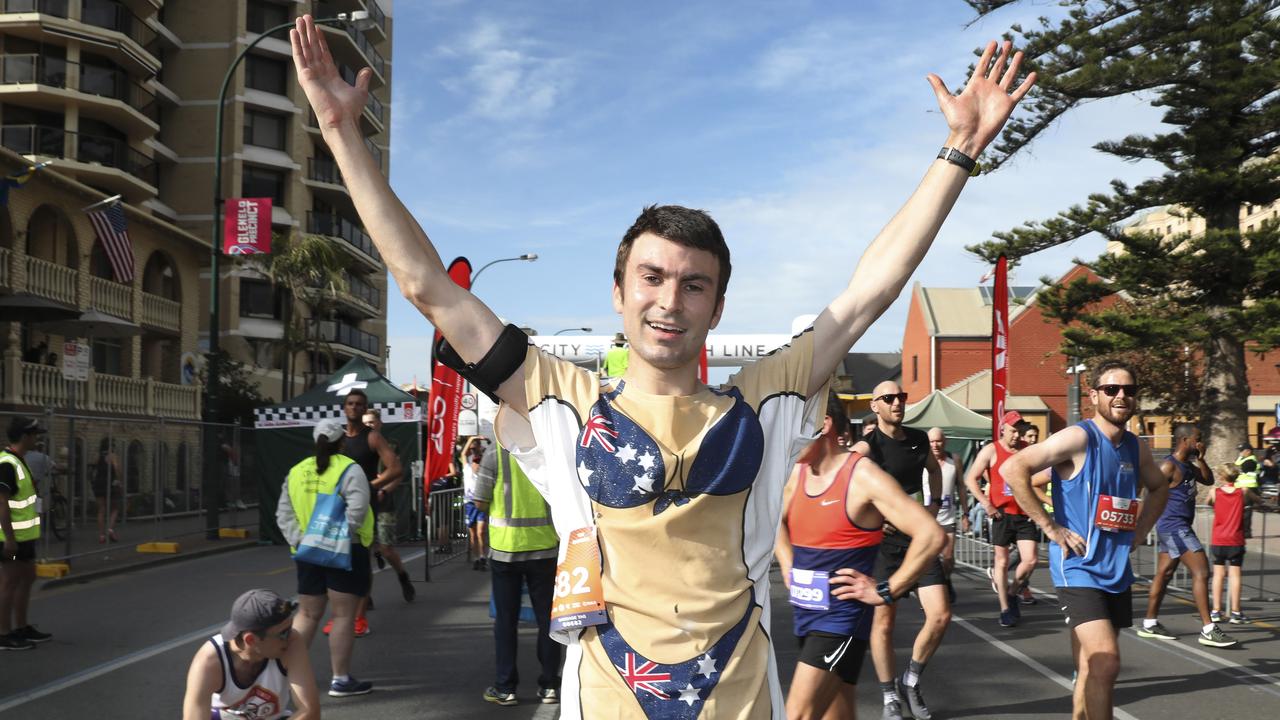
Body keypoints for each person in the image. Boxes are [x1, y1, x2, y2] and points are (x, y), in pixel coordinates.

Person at [290, 15, 1033, 716]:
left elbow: (872, 290)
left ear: (716, 305)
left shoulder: (766, 401)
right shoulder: (560, 398)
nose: (669, 301)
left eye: (693, 283)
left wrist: (958, 151)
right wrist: (340, 132)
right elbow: (427, 286)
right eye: (651, 278)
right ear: (618, 293)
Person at [1002, 360, 1168, 720]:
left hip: (1116, 569)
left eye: (1129, 390)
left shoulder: (1136, 447)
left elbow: (1159, 487)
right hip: (1078, 568)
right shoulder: (1078, 437)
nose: (1121, 396)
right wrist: (1050, 527)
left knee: (1090, 668)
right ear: (1094, 396)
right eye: (1111, 390)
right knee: (1106, 663)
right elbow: (1013, 469)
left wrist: (1140, 530)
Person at [776, 395, 943, 720]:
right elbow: (775, 523)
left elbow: (930, 534)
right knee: (837, 715)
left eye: (792, 427)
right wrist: (787, 565)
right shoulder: (799, 474)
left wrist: (886, 590)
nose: (784, 437)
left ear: (823, 424)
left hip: (841, 620)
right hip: (806, 615)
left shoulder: (862, 476)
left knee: (797, 714)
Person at [850, 382, 949, 720]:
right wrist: (874, 517)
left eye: (901, 397)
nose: (897, 403)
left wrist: (935, 505)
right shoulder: (868, 445)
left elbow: (935, 471)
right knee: (884, 623)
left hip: (918, 539)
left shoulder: (919, 440)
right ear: (875, 406)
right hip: (883, 546)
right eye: (889, 398)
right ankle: (889, 696)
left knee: (940, 615)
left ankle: (912, 679)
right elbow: (847, 476)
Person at [276, 417, 375, 697]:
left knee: (307, 614)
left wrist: (303, 540)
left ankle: (284, 674)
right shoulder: (349, 469)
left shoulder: (297, 471)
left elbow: (283, 514)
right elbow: (357, 510)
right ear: (342, 442)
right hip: (344, 550)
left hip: (307, 552)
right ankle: (340, 679)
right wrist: (336, 539)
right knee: (343, 615)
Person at [475, 441, 561, 706]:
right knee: (548, 622)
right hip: (545, 547)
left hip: (506, 549)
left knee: (506, 622)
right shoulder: (549, 448)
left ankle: (505, 687)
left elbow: (480, 501)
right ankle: (549, 686)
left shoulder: (495, 452)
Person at [1138, 423, 1235, 647]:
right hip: (1174, 527)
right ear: (1185, 441)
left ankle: (1150, 623)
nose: (1201, 443)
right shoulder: (1168, 467)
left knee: (1164, 574)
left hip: (1179, 526)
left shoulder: (1189, 466)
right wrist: (1140, 528)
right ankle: (1209, 629)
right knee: (1201, 571)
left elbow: (1208, 480)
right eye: (1198, 439)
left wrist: (1201, 458)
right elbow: (1149, 495)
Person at [336, 389, 409, 641]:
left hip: (366, 507)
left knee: (362, 559)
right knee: (339, 560)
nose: (355, 408)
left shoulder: (373, 438)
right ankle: (343, 614)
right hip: (339, 507)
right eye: (351, 404)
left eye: (359, 404)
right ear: (344, 408)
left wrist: (371, 485)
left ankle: (359, 617)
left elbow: (395, 468)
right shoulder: (337, 438)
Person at [182, 589, 319, 719]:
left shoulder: (292, 642)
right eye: (283, 633)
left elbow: (309, 711)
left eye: (290, 627)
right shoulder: (209, 661)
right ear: (251, 640)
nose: (290, 636)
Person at [963, 411, 1037, 628]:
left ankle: (1013, 592)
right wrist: (986, 503)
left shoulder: (1026, 450)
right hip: (1001, 514)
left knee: (1030, 559)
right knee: (1002, 562)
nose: (1017, 435)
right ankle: (1005, 608)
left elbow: (1038, 476)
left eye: (1020, 432)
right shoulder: (991, 450)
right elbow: (970, 479)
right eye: (1014, 431)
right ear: (1003, 428)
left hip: (1025, 514)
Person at [0, 417, 52, 650]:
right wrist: (9, 539)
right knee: (9, 582)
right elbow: (1, 504)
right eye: (34, 435)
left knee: (28, 577)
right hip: (10, 540)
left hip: (25, 538)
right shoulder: (7, 464)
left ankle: (21, 627)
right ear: (24, 436)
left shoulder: (20, 461)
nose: (37, 438)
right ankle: (3, 633)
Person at [1208, 463, 1262, 626]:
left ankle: (1216, 611)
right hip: (1236, 539)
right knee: (1235, 576)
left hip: (1218, 539)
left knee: (1218, 575)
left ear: (1221, 476)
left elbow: (1210, 503)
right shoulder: (1243, 492)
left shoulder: (1214, 492)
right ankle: (1236, 612)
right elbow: (1258, 501)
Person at [922, 427, 967, 583]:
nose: (935, 445)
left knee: (948, 557)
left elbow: (961, 486)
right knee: (929, 557)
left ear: (945, 441)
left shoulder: (954, 460)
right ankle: (936, 586)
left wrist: (966, 514)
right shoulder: (922, 460)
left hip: (948, 518)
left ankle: (945, 580)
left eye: (938, 441)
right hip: (928, 519)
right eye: (932, 442)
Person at [460, 436, 489, 570]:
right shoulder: (466, 464)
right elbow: (463, 453)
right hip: (469, 503)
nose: (473, 451)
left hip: (481, 501)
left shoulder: (483, 465)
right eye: (471, 449)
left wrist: (481, 448)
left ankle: (483, 556)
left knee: (481, 531)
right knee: (473, 534)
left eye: (475, 448)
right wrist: (473, 438)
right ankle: (476, 558)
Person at [91, 437, 122, 544]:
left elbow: (93, 468)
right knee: (115, 507)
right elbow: (117, 469)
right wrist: (118, 480)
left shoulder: (97, 456)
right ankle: (110, 529)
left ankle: (101, 536)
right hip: (110, 484)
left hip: (98, 484)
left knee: (101, 509)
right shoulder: (112, 456)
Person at [1234, 444, 1259, 539]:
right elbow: (1235, 466)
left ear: (1248, 451)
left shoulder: (1251, 461)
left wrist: (1234, 467)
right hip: (1241, 488)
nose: (1240, 452)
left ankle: (1246, 532)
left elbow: (1237, 469)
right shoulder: (1243, 459)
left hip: (1248, 488)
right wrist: (1240, 457)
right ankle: (1242, 531)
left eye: (1242, 450)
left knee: (1246, 511)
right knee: (1241, 511)